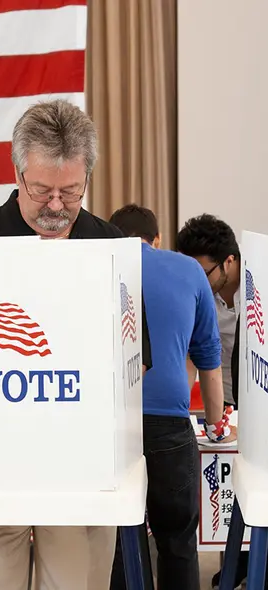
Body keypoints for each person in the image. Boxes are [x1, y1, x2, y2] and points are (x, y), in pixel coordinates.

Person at [0, 99, 152, 590]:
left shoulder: (110, 246)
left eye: (72, 191)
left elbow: (136, 358)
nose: (57, 206)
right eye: (41, 190)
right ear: (17, 173)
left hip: (82, 466)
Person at [106, 205, 228, 590]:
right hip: (169, 428)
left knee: (119, 540)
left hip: (111, 424)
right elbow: (209, 360)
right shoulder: (188, 270)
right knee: (176, 540)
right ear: (155, 240)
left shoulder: (101, 266)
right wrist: (213, 422)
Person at [175, 214, 247, 589]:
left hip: (257, 401)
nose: (197, 281)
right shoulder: (200, 293)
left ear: (229, 262)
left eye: (204, 272)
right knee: (226, 489)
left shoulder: (258, 288)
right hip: (224, 402)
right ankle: (231, 568)